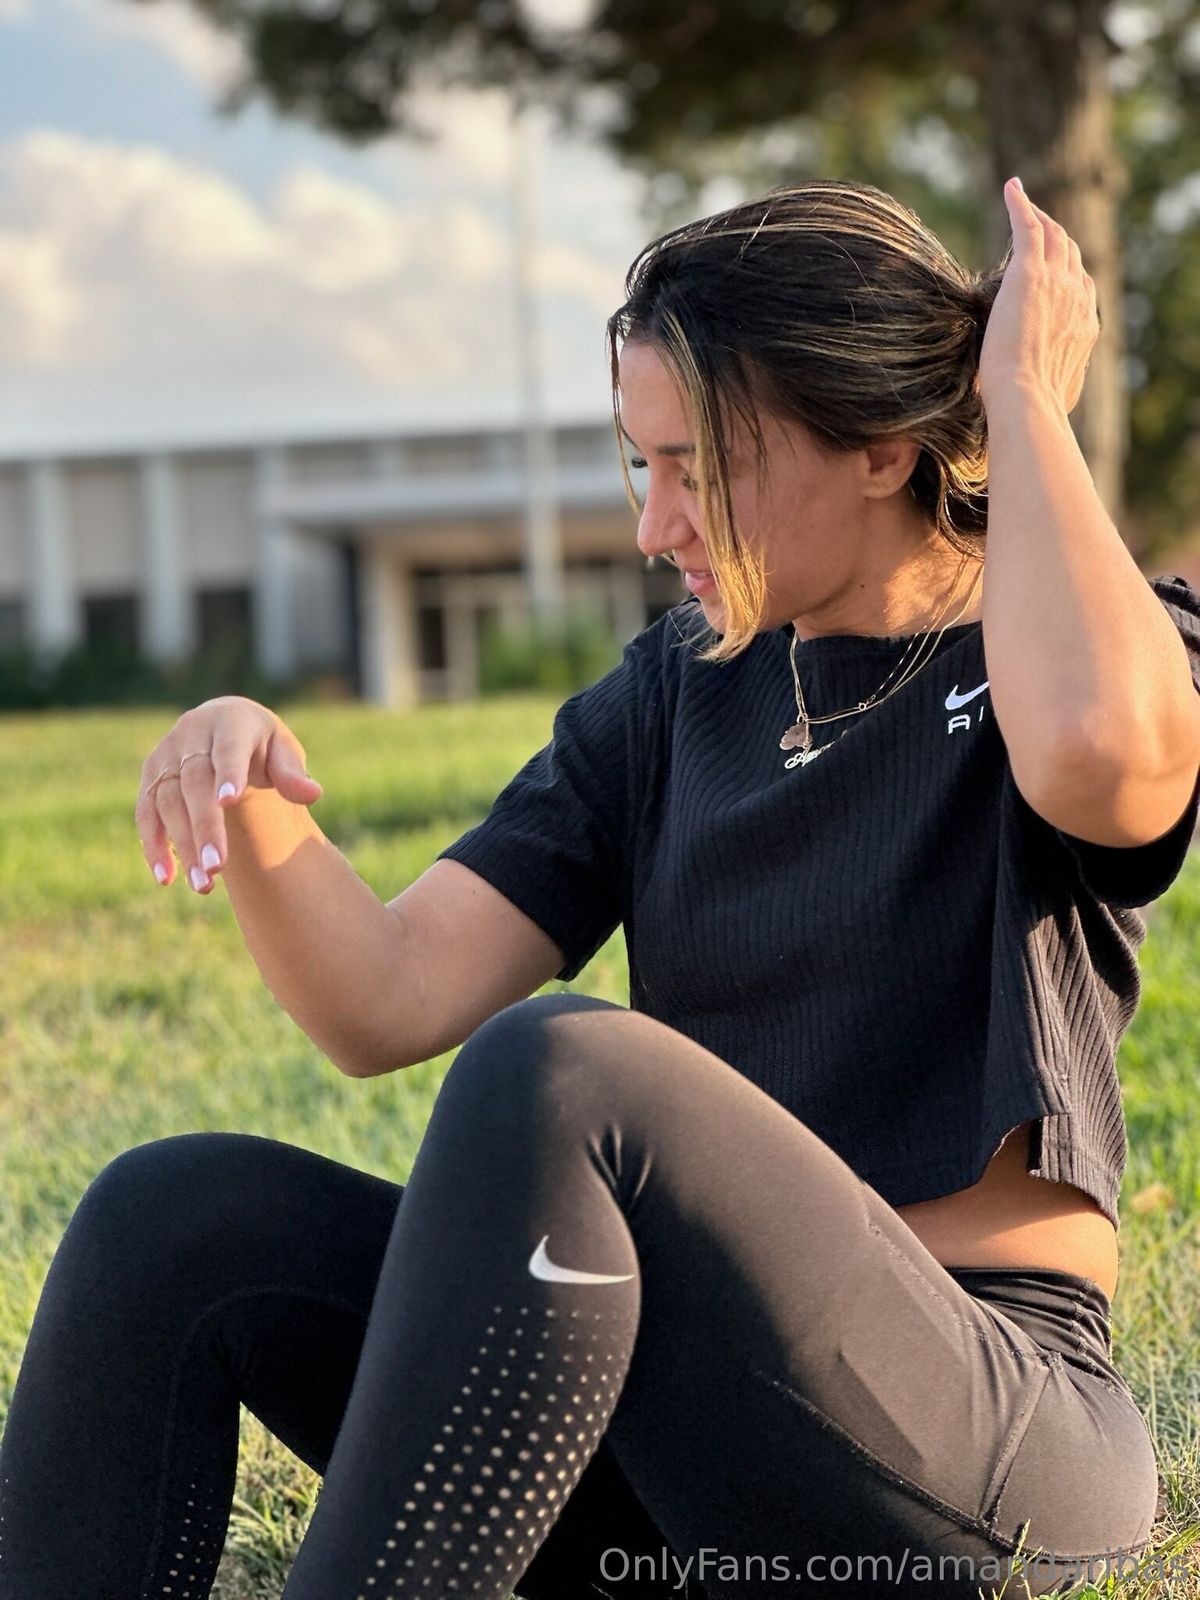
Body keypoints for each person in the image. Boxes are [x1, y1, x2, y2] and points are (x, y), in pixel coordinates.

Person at [2, 178, 1198, 1600]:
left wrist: (1024, 404)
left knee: (568, 1068)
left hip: (977, 1436)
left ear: (882, 447)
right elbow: (386, 998)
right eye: (644, 467)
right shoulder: (679, 694)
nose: (656, 526)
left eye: (699, 468)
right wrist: (243, 788)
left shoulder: (1092, 653)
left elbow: (1099, 756)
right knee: (172, 1215)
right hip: (667, 1442)